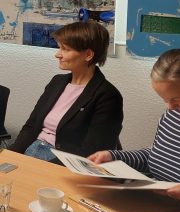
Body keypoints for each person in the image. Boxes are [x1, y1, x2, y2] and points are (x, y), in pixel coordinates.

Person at [89, 49, 180, 207]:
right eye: (165, 99)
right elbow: (157, 156)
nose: (170, 107)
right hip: (156, 208)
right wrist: (114, 157)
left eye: (176, 99)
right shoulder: (173, 116)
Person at [11, 21, 123, 161]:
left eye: (65, 49)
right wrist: (11, 155)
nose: (58, 55)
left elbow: (91, 151)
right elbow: (31, 126)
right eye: (59, 48)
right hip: (33, 149)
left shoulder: (107, 96)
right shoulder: (57, 82)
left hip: (61, 162)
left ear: (88, 55)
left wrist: (44, 167)